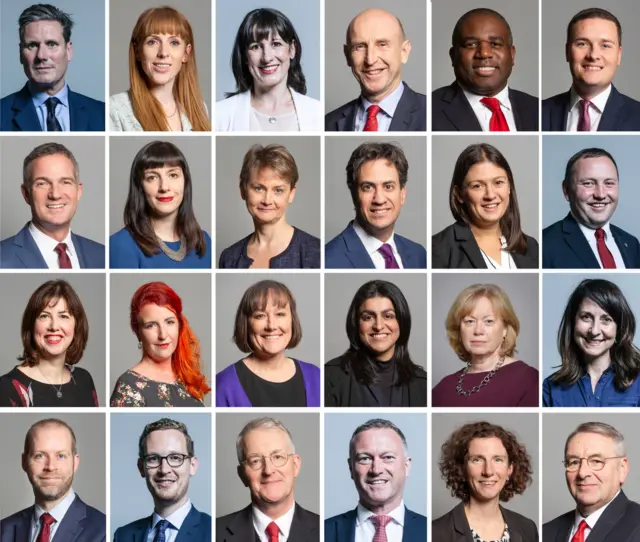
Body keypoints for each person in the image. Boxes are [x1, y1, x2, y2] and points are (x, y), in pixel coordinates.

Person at [432, 143, 538, 269]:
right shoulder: (439, 249)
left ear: (509, 186)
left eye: (498, 182)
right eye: (477, 186)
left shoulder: (531, 246)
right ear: (459, 194)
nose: (490, 195)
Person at [0, 4, 105, 131]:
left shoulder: (102, 114)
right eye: (32, 45)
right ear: (21, 53)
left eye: (51, 44)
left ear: (68, 50)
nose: (41, 55)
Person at [0, 142, 105, 269]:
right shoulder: (3, 258)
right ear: (26, 194)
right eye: (42, 183)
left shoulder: (102, 255)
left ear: (78, 191)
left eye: (65, 182)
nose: (55, 194)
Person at [216, 280, 320, 407]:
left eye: (280, 314)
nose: (271, 326)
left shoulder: (317, 377)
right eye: (260, 316)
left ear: (292, 320)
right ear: (246, 323)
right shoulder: (225, 385)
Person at [109, 141, 212, 269]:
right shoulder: (120, 245)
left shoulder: (205, 242)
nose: (164, 187)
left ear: (185, 182)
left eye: (173, 175)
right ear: (140, 186)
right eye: (152, 177)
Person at [432, 284, 538, 407]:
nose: (478, 331)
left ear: (505, 329)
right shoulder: (444, 387)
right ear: (459, 330)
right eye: (469, 321)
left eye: (488, 321)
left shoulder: (528, 380)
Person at [433, 8, 538, 132]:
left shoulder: (537, 109)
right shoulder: (429, 110)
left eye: (495, 44)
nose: (484, 53)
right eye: (471, 44)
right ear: (453, 55)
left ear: (512, 54)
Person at [216, 8, 321, 131]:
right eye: (255, 47)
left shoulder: (317, 112)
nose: (267, 57)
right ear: (245, 56)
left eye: (276, 44)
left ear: (292, 49)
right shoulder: (220, 114)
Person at [325, 280, 427, 407]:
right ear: (356, 323)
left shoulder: (422, 383)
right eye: (368, 317)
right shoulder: (329, 377)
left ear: (401, 321)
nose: (378, 326)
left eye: (388, 316)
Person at [0, 419, 105, 541]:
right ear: (24, 462)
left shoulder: (103, 531)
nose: (50, 466)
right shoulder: (3, 531)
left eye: (61, 456)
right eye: (39, 456)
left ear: (75, 463)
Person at [325, 142, 426, 269]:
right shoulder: (328, 261)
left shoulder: (419, 255)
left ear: (402, 194)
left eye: (388, 186)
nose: (379, 199)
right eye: (368, 187)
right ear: (354, 194)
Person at [216, 417, 319, 541]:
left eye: (277, 457)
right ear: (242, 474)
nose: (268, 470)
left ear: (295, 465)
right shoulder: (215, 533)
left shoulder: (323, 530)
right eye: (255, 461)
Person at [218, 144, 320, 269]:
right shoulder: (229, 258)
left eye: (278, 190)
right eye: (259, 188)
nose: (267, 200)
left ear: (291, 194)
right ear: (243, 190)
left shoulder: (317, 253)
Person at [432, 421, 538, 542]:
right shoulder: (436, 533)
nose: (488, 471)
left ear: (509, 469)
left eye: (497, 460)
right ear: (462, 468)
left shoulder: (527, 529)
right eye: (477, 460)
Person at [325, 418, 427, 542]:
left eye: (388, 457)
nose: (376, 470)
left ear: (407, 466)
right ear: (351, 468)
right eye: (365, 459)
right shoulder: (324, 532)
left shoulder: (430, 531)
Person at [110, 6, 210, 131]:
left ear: (186, 53)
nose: (163, 53)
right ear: (137, 51)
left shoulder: (200, 109)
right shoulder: (115, 109)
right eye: (152, 42)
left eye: (174, 43)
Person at [110, 282, 210, 407]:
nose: (163, 335)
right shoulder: (128, 387)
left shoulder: (186, 376)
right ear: (138, 331)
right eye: (150, 325)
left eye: (169, 322)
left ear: (179, 325)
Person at [325, 8, 426, 132]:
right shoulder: (328, 123)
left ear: (404, 52)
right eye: (360, 47)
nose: (371, 60)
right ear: (347, 55)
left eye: (382, 44)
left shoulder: (431, 114)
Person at [0, 280, 98, 407]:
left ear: (76, 325)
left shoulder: (84, 379)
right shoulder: (5, 388)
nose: (54, 326)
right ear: (31, 325)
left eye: (63, 316)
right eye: (44, 316)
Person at [543, 279, 640, 407]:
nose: (594, 331)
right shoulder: (551, 388)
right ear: (573, 322)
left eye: (606, 319)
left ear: (619, 328)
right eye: (586, 317)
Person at [113, 418, 211, 541]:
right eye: (153, 458)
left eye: (175, 458)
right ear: (141, 467)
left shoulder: (212, 532)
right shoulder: (122, 536)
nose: (164, 470)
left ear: (192, 465)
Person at [543, 8, 640, 131]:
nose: (593, 55)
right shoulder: (539, 113)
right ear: (567, 52)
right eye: (582, 44)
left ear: (618, 55)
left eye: (605, 45)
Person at [543, 148, 640, 269]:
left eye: (609, 183)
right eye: (588, 183)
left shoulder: (631, 244)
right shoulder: (545, 245)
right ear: (566, 190)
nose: (600, 194)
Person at [543, 422, 640, 540]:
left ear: (622, 469)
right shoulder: (546, 532)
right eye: (574, 462)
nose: (582, 473)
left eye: (596, 461)